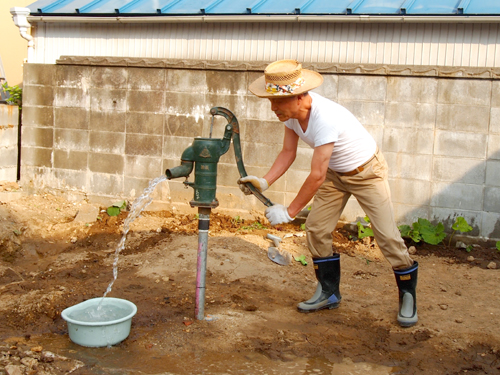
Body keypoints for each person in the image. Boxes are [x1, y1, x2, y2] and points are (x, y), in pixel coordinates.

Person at [238, 59, 418, 327]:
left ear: (300, 97)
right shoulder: (292, 116)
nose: (273, 108)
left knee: (387, 237)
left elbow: (316, 175)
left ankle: (407, 295)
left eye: (278, 101)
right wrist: (264, 182)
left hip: (366, 172)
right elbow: (288, 153)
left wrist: (289, 211)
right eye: (271, 101)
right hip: (336, 174)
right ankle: (329, 292)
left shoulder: (326, 118)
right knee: (317, 228)